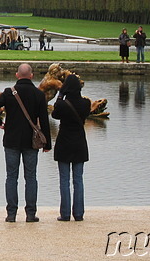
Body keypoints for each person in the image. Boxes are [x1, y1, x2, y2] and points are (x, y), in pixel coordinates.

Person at [0, 63, 52, 223]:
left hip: (11, 140)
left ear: (17, 75)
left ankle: (11, 214)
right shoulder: (38, 94)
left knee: (11, 177)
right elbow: (44, 121)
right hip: (31, 141)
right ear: (31, 75)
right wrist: (47, 143)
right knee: (31, 177)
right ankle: (30, 214)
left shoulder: (9, 92)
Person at [51, 74, 90, 222]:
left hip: (64, 143)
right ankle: (79, 213)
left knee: (64, 180)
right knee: (78, 180)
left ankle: (65, 213)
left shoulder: (62, 104)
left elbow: (54, 115)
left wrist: (60, 97)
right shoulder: (85, 103)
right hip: (80, 143)